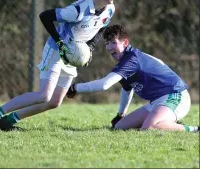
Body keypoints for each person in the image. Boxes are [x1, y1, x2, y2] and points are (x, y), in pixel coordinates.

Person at [0, 0, 118, 133]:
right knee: (44, 95)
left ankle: (7, 122)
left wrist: (90, 47)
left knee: (54, 102)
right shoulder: (77, 11)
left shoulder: (110, 9)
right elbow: (45, 16)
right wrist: (60, 43)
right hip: (55, 50)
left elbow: (101, 28)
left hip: (70, 53)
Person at [66, 24, 197, 133]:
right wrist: (120, 115)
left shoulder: (131, 60)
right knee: (119, 127)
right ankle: (166, 122)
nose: (110, 47)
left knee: (149, 128)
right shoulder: (126, 61)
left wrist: (75, 87)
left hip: (175, 96)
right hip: (157, 101)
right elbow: (127, 90)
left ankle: (194, 129)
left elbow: (104, 85)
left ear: (125, 43)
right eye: (107, 43)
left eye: (113, 42)